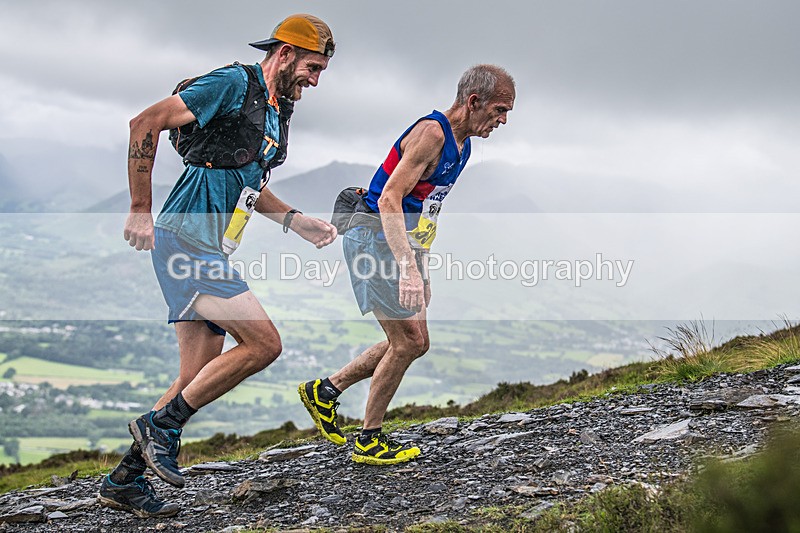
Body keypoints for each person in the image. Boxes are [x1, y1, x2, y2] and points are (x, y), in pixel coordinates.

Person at [98, 14, 338, 517]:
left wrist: (296, 221)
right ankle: (160, 428)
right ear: (286, 52)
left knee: (196, 372)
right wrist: (140, 208)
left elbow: (248, 180)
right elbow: (144, 122)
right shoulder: (234, 82)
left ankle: (125, 479)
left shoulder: (277, 109)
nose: (315, 81)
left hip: (209, 245)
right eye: (312, 68)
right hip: (186, 238)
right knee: (265, 343)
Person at [299, 65, 515, 465]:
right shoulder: (432, 134)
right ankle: (368, 440)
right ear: (473, 102)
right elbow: (389, 199)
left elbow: (427, 210)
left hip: (398, 242)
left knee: (417, 342)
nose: (502, 120)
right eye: (500, 110)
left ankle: (326, 391)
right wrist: (408, 267)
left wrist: (423, 265)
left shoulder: (463, 146)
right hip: (372, 237)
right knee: (408, 342)